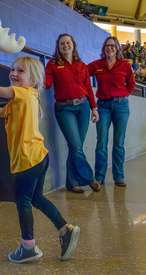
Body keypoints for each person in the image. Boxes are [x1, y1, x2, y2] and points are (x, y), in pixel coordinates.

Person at [0, 56, 80, 263]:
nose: (14, 73)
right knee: (36, 198)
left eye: (21, 71)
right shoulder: (26, 98)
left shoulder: (23, 94)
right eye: (13, 69)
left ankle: (28, 246)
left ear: (33, 80)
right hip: (38, 156)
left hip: (28, 158)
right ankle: (65, 229)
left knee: (22, 200)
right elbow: (3, 112)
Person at [45, 33, 100, 193]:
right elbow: (47, 84)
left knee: (76, 147)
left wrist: (94, 108)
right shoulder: (52, 65)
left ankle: (71, 182)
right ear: (58, 47)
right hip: (64, 109)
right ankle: (89, 178)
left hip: (83, 107)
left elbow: (88, 88)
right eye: (62, 44)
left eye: (68, 43)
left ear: (73, 45)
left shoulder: (82, 66)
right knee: (76, 147)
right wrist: (34, 77)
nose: (66, 46)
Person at [88, 36, 135, 187]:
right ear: (104, 48)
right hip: (103, 106)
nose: (110, 48)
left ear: (117, 49)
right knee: (101, 142)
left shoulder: (125, 65)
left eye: (113, 46)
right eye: (107, 45)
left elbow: (132, 83)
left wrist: (124, 94)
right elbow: (82, 74)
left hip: (121, 107)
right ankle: (99, 177)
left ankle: (118, 176)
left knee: (118, 143)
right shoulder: (97, 65)